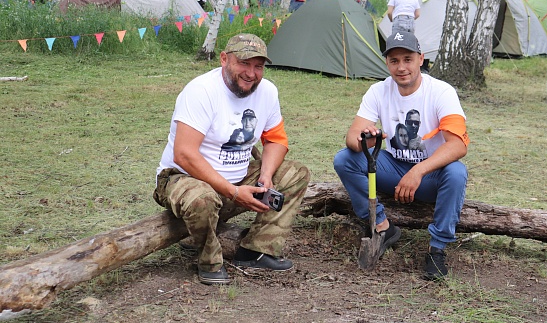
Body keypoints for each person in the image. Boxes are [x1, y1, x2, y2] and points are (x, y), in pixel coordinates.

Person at [154, 33, 310, 285]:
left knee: (296, 174)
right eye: (244, 64)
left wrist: (266, 177)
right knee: (201, 198)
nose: (251, 73)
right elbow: (183, 154)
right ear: (224, 59)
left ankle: (256, 250)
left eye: (258, 66)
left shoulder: (267, 92)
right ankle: (208, 259)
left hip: (236, 180)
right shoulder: (201, 91)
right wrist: (234, 192)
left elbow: (277, 141)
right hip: (183, 179)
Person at [334, 31, 469, 280]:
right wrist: (367, 139)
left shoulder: (442, 92)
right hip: (393, 168)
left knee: (457, 172)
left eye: (407, 59)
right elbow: (352, 138)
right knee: (344, 159)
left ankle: (437, 248)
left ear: (420, 59)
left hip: (430, 176)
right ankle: (382, 226)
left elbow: (458, 145)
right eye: (394, 61)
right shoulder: (378, 91)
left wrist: (418, 171)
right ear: (387, 63)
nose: (401, 67)